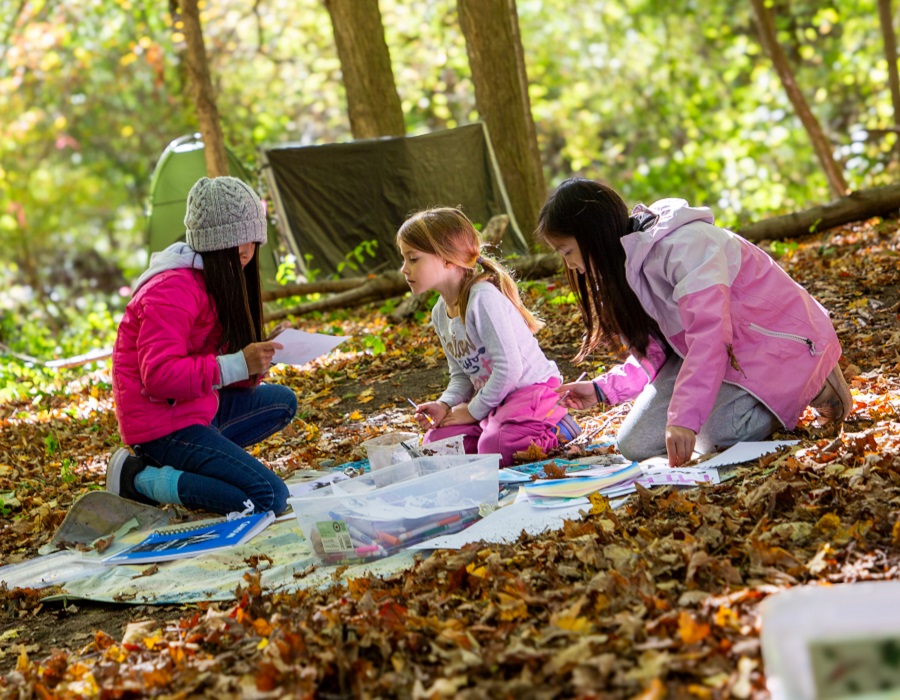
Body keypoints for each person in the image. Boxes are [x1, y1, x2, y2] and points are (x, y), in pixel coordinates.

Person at [536, 178, 851, 467]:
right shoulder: (628, 269)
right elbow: (660, 351)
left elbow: (710, 336)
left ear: (594, 235)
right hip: (725, 357)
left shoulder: (684, 247)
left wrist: (684, 418)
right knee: (634, 444)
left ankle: (815, 384)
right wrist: (602, 390)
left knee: (714, 434)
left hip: (774, 345)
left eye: (567, 251)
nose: (571, 266)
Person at [106, 176, 296, 515]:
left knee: (282, 402)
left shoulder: (217, 280)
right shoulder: (172, 289)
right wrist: (237, 363)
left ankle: (206, 464)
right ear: (211, 242)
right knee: (268, 498)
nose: (247, 250)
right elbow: (159, 375)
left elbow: (215, 368)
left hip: (197, 407)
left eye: (252, 239)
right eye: (236, 240)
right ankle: (139, 479)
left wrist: (257, 359)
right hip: (161, 426)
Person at [397, 207, 580, 467]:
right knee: (436, 445)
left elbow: (510, 369)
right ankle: (493, 432)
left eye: (413, 259)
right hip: (494, 402)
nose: (404, 269)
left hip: (530, 395)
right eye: (404, 259)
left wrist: (472, 411)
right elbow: (462, 376)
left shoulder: (482, 298)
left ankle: (557, 428)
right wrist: (445, 404)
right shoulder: (440, 313)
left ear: (448, 260)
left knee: (494, 447)